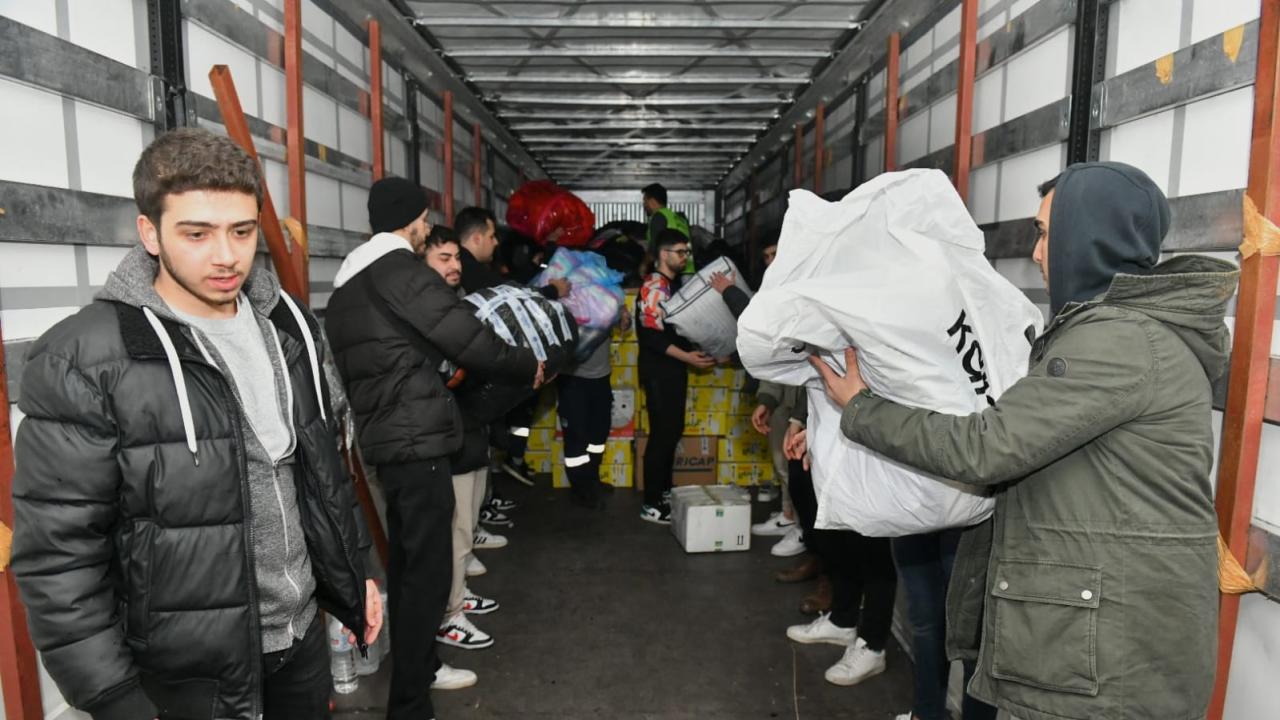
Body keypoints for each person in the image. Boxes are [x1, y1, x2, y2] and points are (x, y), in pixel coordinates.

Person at [808, 161, 1237, 720]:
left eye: (1044, 232)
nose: (1037, 253)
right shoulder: (1115, 331)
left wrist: (860, 408)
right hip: (1108, 637)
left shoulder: (1119, 341)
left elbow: (986, 448)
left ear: (1088, 235)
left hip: (1113, 656)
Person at [10, 127, 380, 720]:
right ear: (148, 233)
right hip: (184, 680)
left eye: (242, 231)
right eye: (197, 233)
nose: (227, 256)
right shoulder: (83, 357)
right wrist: (110, 695)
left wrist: (354, 571)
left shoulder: (288, 324)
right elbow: (59, 554)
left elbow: (323, 468)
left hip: (300, 645)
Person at [325, 178, 543, 719]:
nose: (428, 226)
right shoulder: (398, 270)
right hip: (416, 438)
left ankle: (416, 677)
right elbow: (464, 335)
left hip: (387, 438)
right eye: (425, 218)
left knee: (407, 567)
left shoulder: (348, 282)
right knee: (425, 574)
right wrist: (526, 364)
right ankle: (411, 700)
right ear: (414, 219)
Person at [418, 225, 503, 653]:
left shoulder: (455, 302)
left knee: (466, 523)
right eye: (443, 259)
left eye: (455, 257)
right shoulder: (425, 310)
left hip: (466, 428)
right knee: (454, 528)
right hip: (443, 434)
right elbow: (446, 373)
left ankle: (459, 595)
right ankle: (450, 617)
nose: (454, 266)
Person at [453, 207, 569, 488]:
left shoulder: (474, 269)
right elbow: (512, 298)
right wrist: (552, 292)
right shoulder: (467, 270)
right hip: (470, 376)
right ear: (477, 237)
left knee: (479, 444)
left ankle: (484, 505)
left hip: (477, 370)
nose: (496, 243)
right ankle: (479, 514)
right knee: (473, 443)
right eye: (492, 236)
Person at [635, 229, 717, 523]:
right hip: (659, 372)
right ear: (663, 254)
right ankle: (652, 503)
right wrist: (687, 356)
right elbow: (651, 337)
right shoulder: (655, 286)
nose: (685, 257)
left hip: (672, 370)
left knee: (671, 433)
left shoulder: (671, 285)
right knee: (662, 436)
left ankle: (664, 491)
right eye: (680, 252)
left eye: (687, 252)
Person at [558, 299, 632, 510]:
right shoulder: (568, 296)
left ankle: (592, 479)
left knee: (598, 435)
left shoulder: (605, 293)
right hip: (573, 379)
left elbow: (624, 325)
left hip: (601, 377)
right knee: (576, 437)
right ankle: (580, 489)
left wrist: (625, 318)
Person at [642, 182, 692, 253]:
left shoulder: (658, 217)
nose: (644, 205)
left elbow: (655, 250)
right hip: (687, 263)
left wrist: (643, 264)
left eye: (645, 201)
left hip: (670, 263)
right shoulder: (679, 218)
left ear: (652, 201)